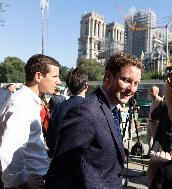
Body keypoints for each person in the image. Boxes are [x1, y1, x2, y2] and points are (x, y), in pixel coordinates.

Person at [45, 52, 143, 189]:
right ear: (108, 76)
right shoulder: (84, 113)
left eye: (136, 83)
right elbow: (59, 174)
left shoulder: (113, 109)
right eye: (126, 80)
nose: (132, 89)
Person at [0, 54, 61, 189]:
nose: (59, 82)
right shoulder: (21, 103)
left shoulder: (27, 101)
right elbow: (9, 151)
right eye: (55, 76)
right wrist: (22, 182)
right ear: (38, 76)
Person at [46, 67, 89, 157]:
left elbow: (50, 139)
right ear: (86, 86)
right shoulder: (92, 107)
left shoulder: (58, 108)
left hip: (59, 160)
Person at [146, 86, 162, 152]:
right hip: (149, 122)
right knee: (148, 138)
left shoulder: (159, 101)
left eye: (152, 91)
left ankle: (155, 152)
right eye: (150, 91)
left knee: (155, 139)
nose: (150, 92)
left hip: (154, 123)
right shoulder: (153, 101)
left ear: (157, 92)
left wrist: (156, 121)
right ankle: (150, 151)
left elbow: (161, 113)